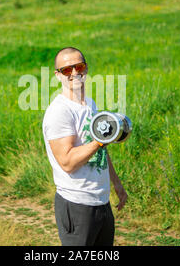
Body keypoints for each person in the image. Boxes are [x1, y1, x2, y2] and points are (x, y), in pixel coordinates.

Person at [42, 47, 128, 246]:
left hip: (101, 201)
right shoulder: (60, 112)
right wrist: (98, 140)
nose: (74, 73)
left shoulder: (90, 104)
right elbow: (67, 162)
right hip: (76, 203)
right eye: (66, 70)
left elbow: (100, 150)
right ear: (58, 75)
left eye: (79, 66)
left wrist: (116, 183)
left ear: (86, 68)